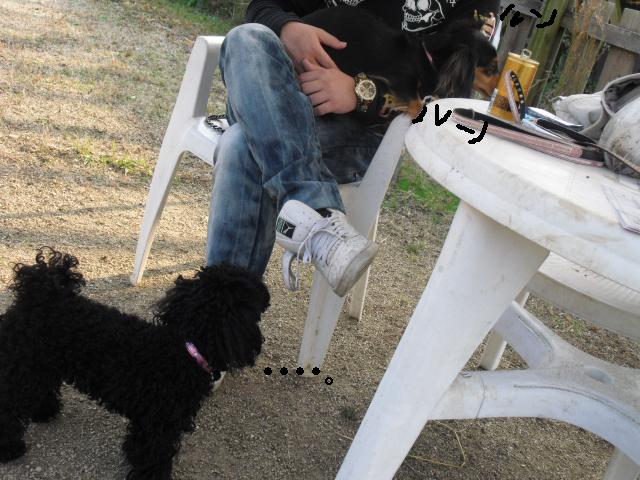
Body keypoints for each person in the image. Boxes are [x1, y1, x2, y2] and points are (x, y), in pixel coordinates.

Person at [206, 0, 499, 298]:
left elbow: (442, 106)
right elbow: (264, 6)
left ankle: (218, 317)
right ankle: (316, 211)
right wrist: (287, 28)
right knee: (244, 37)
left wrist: (361, 93)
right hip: (278, 90)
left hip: (366, 131)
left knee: (241, 144)